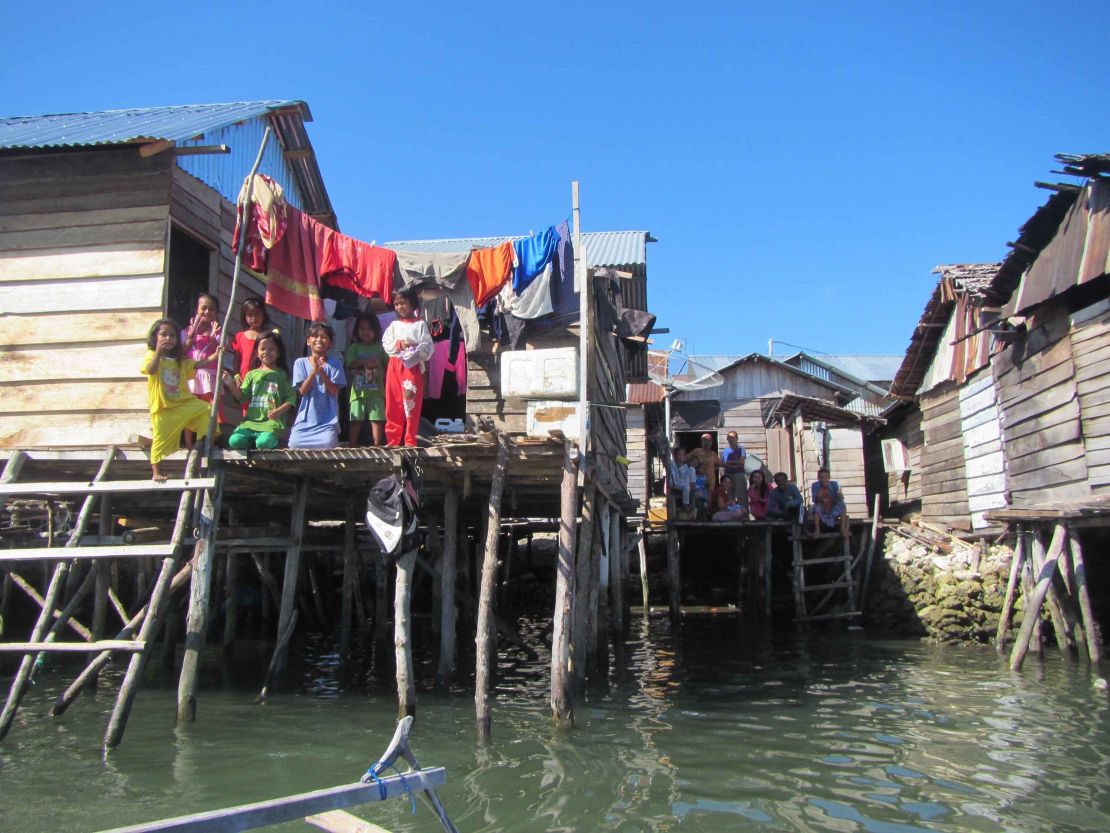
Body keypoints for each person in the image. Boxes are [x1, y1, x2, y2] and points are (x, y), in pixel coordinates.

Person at [141, 318, 214, 481]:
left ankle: (201, 441)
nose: (168, 338)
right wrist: (158, 353)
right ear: (155, 338)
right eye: (163, 334)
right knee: (159, 437)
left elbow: (198, 365)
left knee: (205, 408)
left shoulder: (179, 360)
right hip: (163, 406)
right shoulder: (151, 355)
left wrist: (217, 354)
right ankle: (156, 471)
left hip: (182, 403)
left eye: (172, 335)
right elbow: (150, 370)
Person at [223, 332, 294, 450]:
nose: (266, 352)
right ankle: (252, 441)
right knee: (234, 441)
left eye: (271, 349)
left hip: (270, 423)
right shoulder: (251, 374)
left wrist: (279, 411)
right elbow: (242, 397)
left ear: (279, 352)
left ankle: (264, 441)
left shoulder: (282, 375)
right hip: (251, 422)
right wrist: (230, 384)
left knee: (263, 443)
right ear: (257, 352)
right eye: (263, 349)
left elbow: (290, 398)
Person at [382, 288, 434, 447]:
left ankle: (410, 440)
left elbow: (429, 347)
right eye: (396, 304)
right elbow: (386, 343)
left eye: (402, 302)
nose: (399, 307)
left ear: (412, 302)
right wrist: (398, 345)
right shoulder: (394, 325)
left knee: (410, 403)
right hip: (395, 365)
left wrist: (415, 347)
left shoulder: (420, 325)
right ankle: (393, 439)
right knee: (393, 402)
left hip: (411, 366)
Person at [289, 322, 346, 449]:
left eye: (324, 337)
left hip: (327, 420)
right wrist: (314, 372)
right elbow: (303, 391)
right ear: (308, 341)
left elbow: (333, 390)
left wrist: (322, 372)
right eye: (315, 336)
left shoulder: (335, 363)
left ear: (330, 343)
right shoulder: (300, 363)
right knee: (294, 444)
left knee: (327, 443)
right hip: (305, 420)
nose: (319, 339)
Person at [345, 312, 387, 447]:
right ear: (357, 330)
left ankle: (377, 445)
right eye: (362, 328)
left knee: (377, 419)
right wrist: (364, 362)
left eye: (370, 328)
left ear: (376, 330)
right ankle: (352, 444)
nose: (366, 332)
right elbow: (350, 363)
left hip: (377, 392)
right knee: (355, 419)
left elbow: (389, 365)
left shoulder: (381, 348)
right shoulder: (354, 347)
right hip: (358, 392)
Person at [230, 296, 275, 406]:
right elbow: (237, 359)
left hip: (262, 378)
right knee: (246, 408)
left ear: (263, 315)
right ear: (244, 316)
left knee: (262, 407)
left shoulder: (267, 337)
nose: (254, 318)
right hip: (244, 379)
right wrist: (236, 376)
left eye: (257, 314)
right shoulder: (240, 336)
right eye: (250, 315)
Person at [181, 293, 221, 403]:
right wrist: (190, 338)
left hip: (209, 379)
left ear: (217, 313)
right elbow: (181, 352)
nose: (207, 312)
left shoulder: (219, 333)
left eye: (212, 309)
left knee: (212, 412)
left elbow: (220, 353)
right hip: (190, 377)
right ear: (196, 310)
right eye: (204, 308)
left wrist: (212, 338)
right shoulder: (185, 331)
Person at [810, 467, 849, 536]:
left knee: (842, 504)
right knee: (816, 507)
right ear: (818, 478)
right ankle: (817, 530)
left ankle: (842, 528)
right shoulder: (815, 485)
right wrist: (819, 496)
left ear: (829, 477)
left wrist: (839, 495)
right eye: (821, 477)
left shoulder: (834, 484)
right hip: (822, 510)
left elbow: (840, 499)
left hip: (832, 508)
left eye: (826, 477)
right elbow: (814, 501)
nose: (824, 479)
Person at [669, 446, 697, 518]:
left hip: (684, 482)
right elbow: (676, 478)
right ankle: (685, 505)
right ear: (675, 456)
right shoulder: (673, 464)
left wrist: (690, 482)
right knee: (686, 487)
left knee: (692, 468)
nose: (681, 456)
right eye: (679, 454)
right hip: (675, 483)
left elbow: (686, 476)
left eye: (683, 454)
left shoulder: (685, 466)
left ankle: (693, 486)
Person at [719, 431, 747, 500]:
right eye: (729, 437)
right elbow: (722, 464)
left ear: (737, 438)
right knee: (729, 494)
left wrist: (728, 462)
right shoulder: (725, 451)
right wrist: (723, 474)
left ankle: (743, 510)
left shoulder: (741, 449)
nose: (730, 439)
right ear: (727, 439)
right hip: (728, 474)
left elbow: (741, 461)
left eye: (732, 437)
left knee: (741, 494)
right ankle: (731, 510)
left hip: (739, 473)